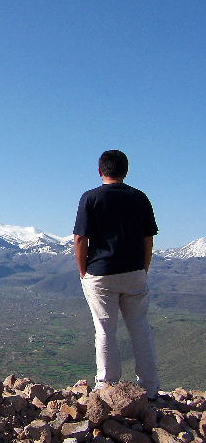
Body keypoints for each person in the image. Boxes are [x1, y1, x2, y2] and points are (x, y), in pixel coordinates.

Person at [73, 149, 161, 399]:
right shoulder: (140, 198)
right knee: (140, 328)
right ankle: (150, 386)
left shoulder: (90, 198)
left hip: (100, 273)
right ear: (125, 171)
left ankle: (107, 385)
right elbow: (148, 239)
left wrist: (83, 271)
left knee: (105, 329)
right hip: (134, 272)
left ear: (100, 171)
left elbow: (80, 238)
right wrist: (143, 269)